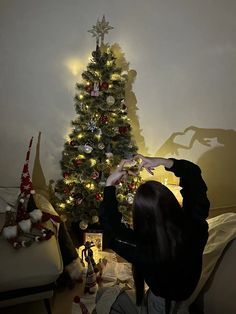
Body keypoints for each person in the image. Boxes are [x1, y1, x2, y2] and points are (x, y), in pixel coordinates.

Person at [96, 155, 210, 314]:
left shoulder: (142, 249)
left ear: (141, 216)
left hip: (161, 306)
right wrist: (164, 162)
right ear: (170, 201)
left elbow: (111, 230)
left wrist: (109, 184)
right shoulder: (195, 225)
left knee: (102, 295)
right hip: (185, 299)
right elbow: (193, 176)